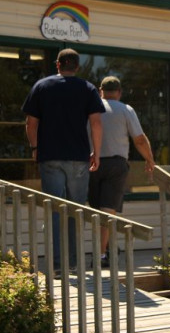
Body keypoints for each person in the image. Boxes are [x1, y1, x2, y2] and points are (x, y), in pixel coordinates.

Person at [22, 48, 105, 274]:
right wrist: (96, 153)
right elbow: (96, 123)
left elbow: (31, 123)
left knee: (55, 210)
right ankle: (76, 263)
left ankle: (58, 265)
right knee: (76, 210)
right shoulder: (87, 89)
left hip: (50, 156)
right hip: (78, 157)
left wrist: (35, 147)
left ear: (57, 65)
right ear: (77, 67)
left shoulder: (42, 86)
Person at [89, 76, 156, 268]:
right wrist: (150, 159)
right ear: (119, 92)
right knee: (108, 210)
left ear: (100, 90)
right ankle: (101, 255)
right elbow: (140, 139)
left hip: (92, 162)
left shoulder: (90, 109)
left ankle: (106, 251)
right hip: (116, 164)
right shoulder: (125, 110)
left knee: (95, 212)